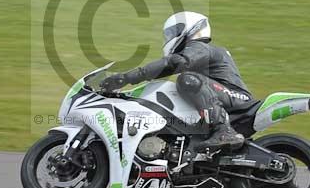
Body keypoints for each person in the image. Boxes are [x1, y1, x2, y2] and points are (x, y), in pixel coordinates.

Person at [100, 11, 253, 151]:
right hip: (225, 97)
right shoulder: (198, 51)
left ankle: (223, 131)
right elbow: (165, 69)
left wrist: (126, 77)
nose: (169, 38)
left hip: (237, 97)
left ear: (190, 29)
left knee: (187, 80)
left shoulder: (201, 47)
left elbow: (175, 63)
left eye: (172, 33)